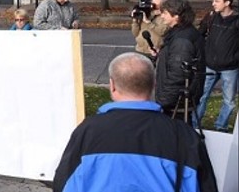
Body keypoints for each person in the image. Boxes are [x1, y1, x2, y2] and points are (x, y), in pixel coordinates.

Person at [53, 52, 217, 191]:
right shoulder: (183, 135)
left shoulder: (88, 130)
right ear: (153, 84)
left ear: (112, 86)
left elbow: (63, 183)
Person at [155, 0, 206, 123]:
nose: (162, 16)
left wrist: (163, 100)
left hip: (178, 102)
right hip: (179, 99)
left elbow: (179, 74)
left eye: (165, 13)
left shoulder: (182, 39)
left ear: (176, 16)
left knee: (176, 135)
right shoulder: (180, 34)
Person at [196, 0, 239, 131]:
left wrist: (234, 58)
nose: (213, 4)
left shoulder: (237, 20)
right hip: (210, 65)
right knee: (201, 96)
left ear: (227, 3)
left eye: (217, 1)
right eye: (213, 1)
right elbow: (199, 34)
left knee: (229, 100)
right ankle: (195, 124)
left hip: (230, 67)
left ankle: (221, 126)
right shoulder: (211, 17)